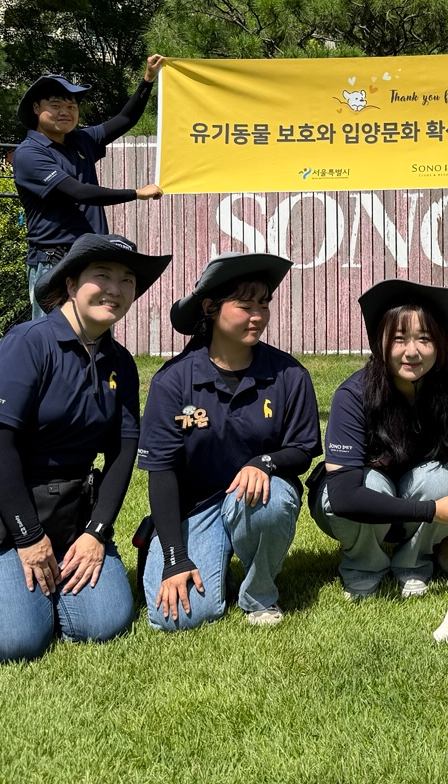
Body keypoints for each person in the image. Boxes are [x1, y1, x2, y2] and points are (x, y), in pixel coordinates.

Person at [0, 233, 172, 663]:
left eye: (127, 280)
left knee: (103, 624)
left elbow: (124, 450)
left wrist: (96, 532)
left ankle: (28, 592)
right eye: (102, 275)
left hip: (71, 513)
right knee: (13, 643)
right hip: (3, 510)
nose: (116, 289)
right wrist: (29, 538)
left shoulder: (121, 363)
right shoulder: (27, 343)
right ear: (70, 284)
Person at [138, 253, 320, 631]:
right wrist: (174, 557)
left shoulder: (290, 374)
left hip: (255, 497)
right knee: (176, 618)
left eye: (264, 305)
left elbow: (302, 450)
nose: (258, 316)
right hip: (194, 508)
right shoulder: (172, 381)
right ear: (210, 308)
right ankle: (192, 553)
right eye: (245, 306)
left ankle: (259, 594)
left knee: (272, 500)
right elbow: (161, 471)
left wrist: (264, 463)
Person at [308, 280, 448, 600]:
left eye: (425, 339)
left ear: (441, 345)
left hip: (417, 502)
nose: (412, 351)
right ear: (380, 343)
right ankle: (363, 565)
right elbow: (344, 497)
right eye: (399, 339)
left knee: (443, 479)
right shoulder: (353, 395)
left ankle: (414, 561)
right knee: (369, 483)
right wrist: (432, 511)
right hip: (362, 507)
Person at [13, 55, 167, 319]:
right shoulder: (30, 153)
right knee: (52, 336)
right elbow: (77, 191)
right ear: (37, 108)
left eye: (71, 106)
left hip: (91, 258)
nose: (65, 111)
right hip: (54, 261)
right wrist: (135, 193)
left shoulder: (80, 140)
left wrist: (147, 80)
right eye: (56, 105)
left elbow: (125, 119)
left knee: (95, 333)